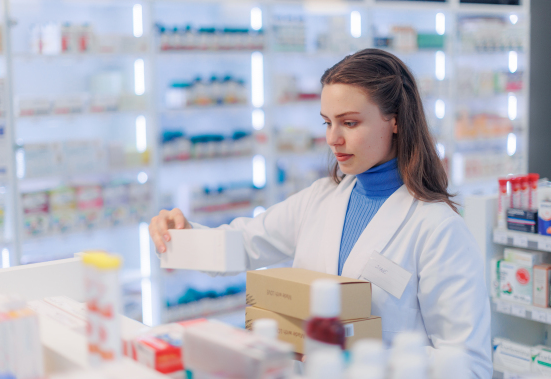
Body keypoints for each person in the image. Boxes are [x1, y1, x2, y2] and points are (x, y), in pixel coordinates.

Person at [149, 49, 492, 378]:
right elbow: (244, 243)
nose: (333, 138)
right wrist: (180, 235)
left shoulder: (437, 228)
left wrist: (359, 350)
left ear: (396, 121)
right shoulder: (321, 199)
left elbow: (470, 367)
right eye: (328, 122)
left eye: (350, 123)